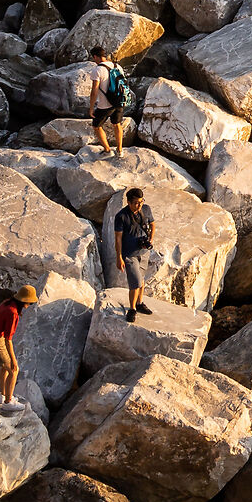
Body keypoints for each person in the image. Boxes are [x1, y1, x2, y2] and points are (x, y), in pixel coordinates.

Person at [0, 286, 37, 407]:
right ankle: (8, 402)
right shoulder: (12, 313)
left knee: (4, 367)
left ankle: (2, 395)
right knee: (14, 370)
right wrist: (13, 359)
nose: (30, 304)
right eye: (30, 302)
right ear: (24, 301)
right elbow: (8, 340)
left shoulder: (7, 302)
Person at [114, 188, 154, 317]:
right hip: (129, 254)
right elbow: (118, 238)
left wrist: (150, 239)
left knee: (141, 280)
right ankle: (132, 309)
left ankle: (139, 303)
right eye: (136, 203)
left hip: (143, 252)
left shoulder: (146, 209)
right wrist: (119, 257)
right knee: (135, 282)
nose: (139, 205)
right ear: (129, 202)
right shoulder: (121, 216)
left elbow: (153, 224)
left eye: (141, 202)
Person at [89, 61, 133, 157]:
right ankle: (120, 151)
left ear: (95, 56)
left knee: (96, 126)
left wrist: (91, 107)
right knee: (117, 124)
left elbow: (94, 90)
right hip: (119, 101)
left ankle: (107, 150)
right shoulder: (118, 66)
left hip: (105, 104)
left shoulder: (97, 70)